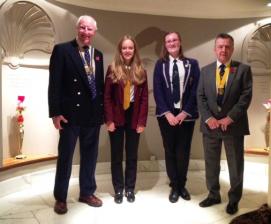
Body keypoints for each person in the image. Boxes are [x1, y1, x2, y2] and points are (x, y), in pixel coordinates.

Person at [48, 15, 104, 214]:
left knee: (90, 157)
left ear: (94, 32)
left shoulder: (98, 54)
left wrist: (101, 113)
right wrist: (55, 113)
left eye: (90, 29)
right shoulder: (62, 50)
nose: (86, 32)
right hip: (70, 115)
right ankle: (61, 197)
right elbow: (54, 84)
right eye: (83, 28)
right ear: (77, 28)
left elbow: (98, 86)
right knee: (65, 157)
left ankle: (87, 192)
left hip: (92, 116)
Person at [197, 33, 252, 215]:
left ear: (232, 49)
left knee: (235, 164)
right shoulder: (205, 71)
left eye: (227, 46)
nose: (223, 50)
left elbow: (245, 97)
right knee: (211, 163)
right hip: (210, 126)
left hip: (233, 126)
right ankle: (213, 195)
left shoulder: (243, 70)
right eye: (220, 46)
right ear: (215, 49)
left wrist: (230, 118)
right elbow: (201, 97)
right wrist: (208, 118)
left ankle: (234, 199)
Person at [153, 32, 200, 203]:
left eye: (174, 40)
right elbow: (157, 90)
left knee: (183, 151)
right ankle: (174, 185)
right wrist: (167, 113)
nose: (171, 43)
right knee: (170, 150)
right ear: (165, 45)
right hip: (166, 116)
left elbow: (196, 90)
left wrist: (184, 112)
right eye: (168, 41)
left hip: (185, 116)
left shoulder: (192, 64)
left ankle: (182, 185)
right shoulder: (160, 64)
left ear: (180, 42)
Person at [104, 35, 148, 204]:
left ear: (134, 50)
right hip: (116, 117)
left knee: (132, 156)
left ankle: (130, 188)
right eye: (124, 48)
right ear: (120, 50)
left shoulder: (141, 71)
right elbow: (106, 97)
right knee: (116, 156)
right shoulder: (112, 68)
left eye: (130, 48)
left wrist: (142, 122)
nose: (127, 50)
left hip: (134, 118)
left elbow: (144, 99)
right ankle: (119, 190)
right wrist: (109, 120)